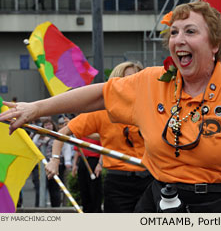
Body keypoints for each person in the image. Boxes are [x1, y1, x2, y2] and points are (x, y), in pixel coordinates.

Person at [0, 0, 221, 213]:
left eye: (190, 31)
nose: (179, 40)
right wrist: (36, 108)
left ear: (215, 44)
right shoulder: (152, 82)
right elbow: (99, 95)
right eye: (174, 32)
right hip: (162, 201)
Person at [46, 61, 153, 212]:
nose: (134, 82)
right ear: (116, 82)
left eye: (138, 78)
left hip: (150, 179)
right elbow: (62, 133)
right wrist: (55, 159)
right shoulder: (102, 111)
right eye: (128, 78)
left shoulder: (152, 107)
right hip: (118, 182)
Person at [33, 117, 63, 207]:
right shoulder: (38, 136)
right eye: (46, 125)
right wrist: (43, 140)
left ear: (53, 126)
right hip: (40, 165)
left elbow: (63, 148)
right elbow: (34, 146)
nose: (48, 126)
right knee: (40, 187)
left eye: (49, 124)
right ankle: (38, 208)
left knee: (54, 188)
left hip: (54, 163)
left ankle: (56, 208)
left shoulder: (57, 136)